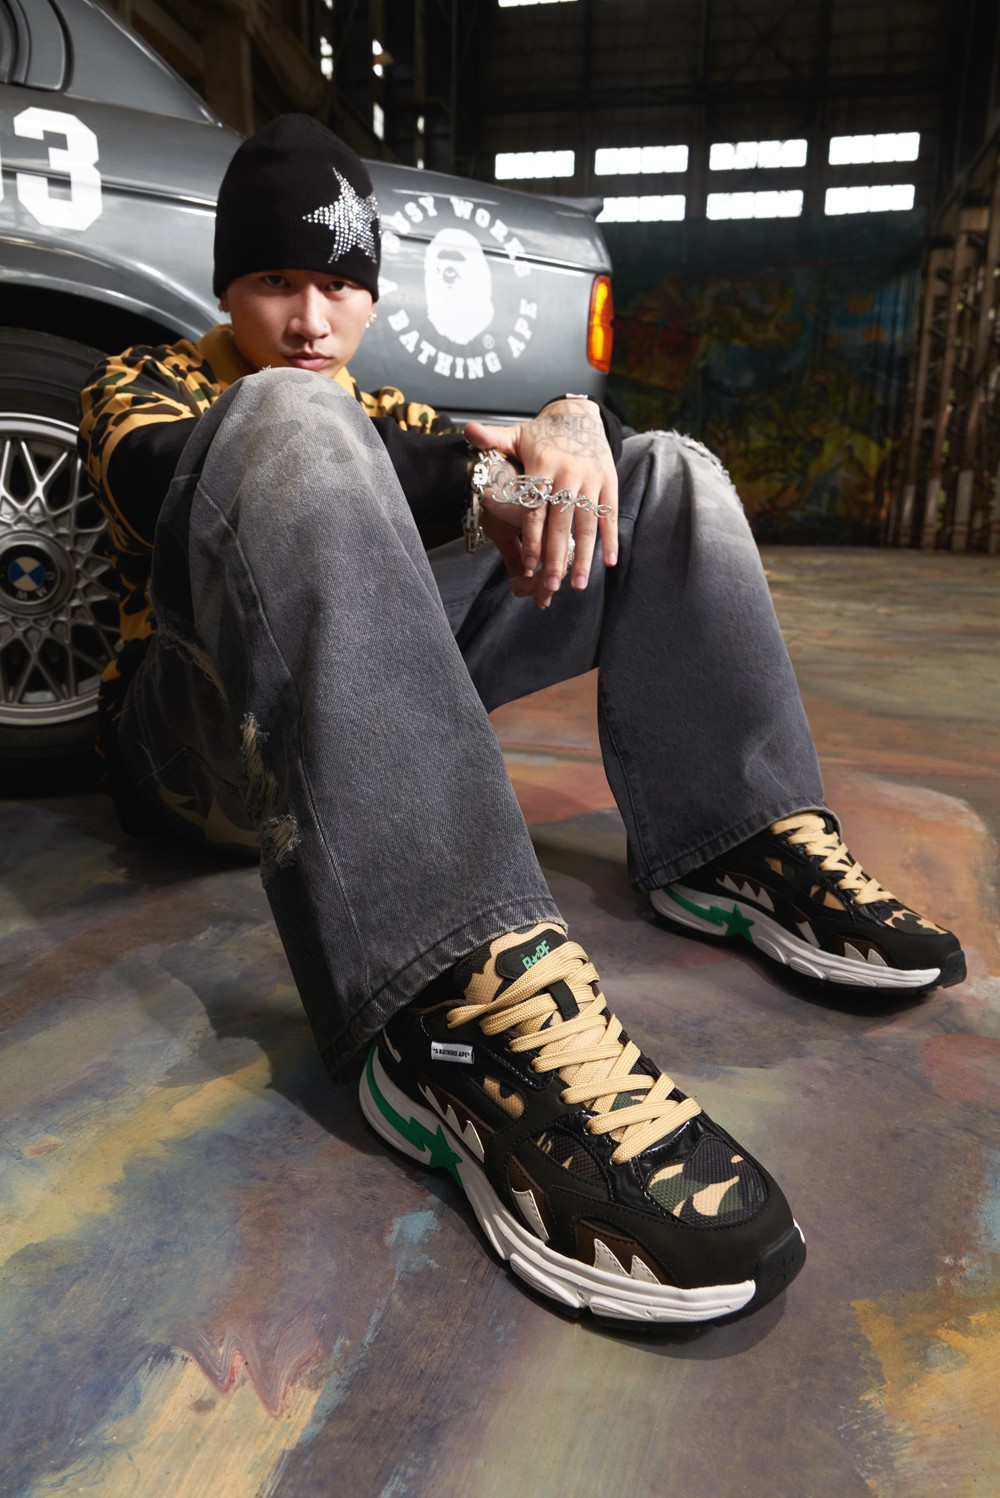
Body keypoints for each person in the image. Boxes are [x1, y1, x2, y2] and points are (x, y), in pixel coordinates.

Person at [78, 115, 963, 1326]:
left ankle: (735, 834)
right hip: (198, 749)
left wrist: (565, 428)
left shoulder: (382, 405)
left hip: (353, 713)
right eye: (277, 281)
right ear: (227, 283)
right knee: (293, 419)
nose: (310, 320)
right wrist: (473, 475)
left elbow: (489, 466)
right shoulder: (148, 383)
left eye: (339, 286)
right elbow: (153, 480)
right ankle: (455, 1015)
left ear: (371, 295)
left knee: (663, 472)